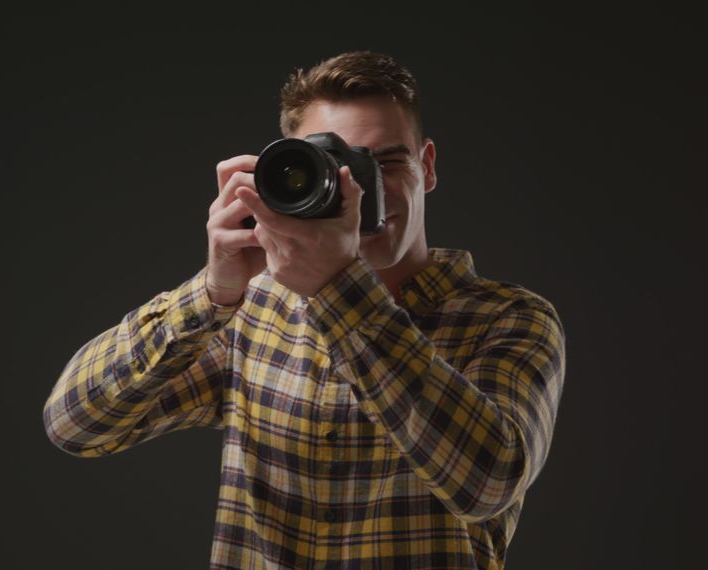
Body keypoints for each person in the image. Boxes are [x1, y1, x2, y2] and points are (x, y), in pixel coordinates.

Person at [43, 51, 567, 569]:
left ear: (426, 167)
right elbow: (77, 425)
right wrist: (211, 293)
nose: (364, 191)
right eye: (341, 169)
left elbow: (487, 482)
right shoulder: (256, 311)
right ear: (297, 175)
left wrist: (338, 287)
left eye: (385, 162)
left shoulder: (509, 319)